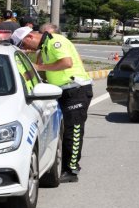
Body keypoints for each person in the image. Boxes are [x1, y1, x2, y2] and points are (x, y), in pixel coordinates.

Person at [12, 27, 93, 183]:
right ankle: (67, 165)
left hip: (75, 90)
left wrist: (39, 67)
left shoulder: (55, 41)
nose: (26, 48)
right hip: (64, 91)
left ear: (29, 37)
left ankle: (71, 170)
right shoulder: (45, 46)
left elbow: (66, 63)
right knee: (65, 131)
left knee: (73, 131)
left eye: (25, 44)